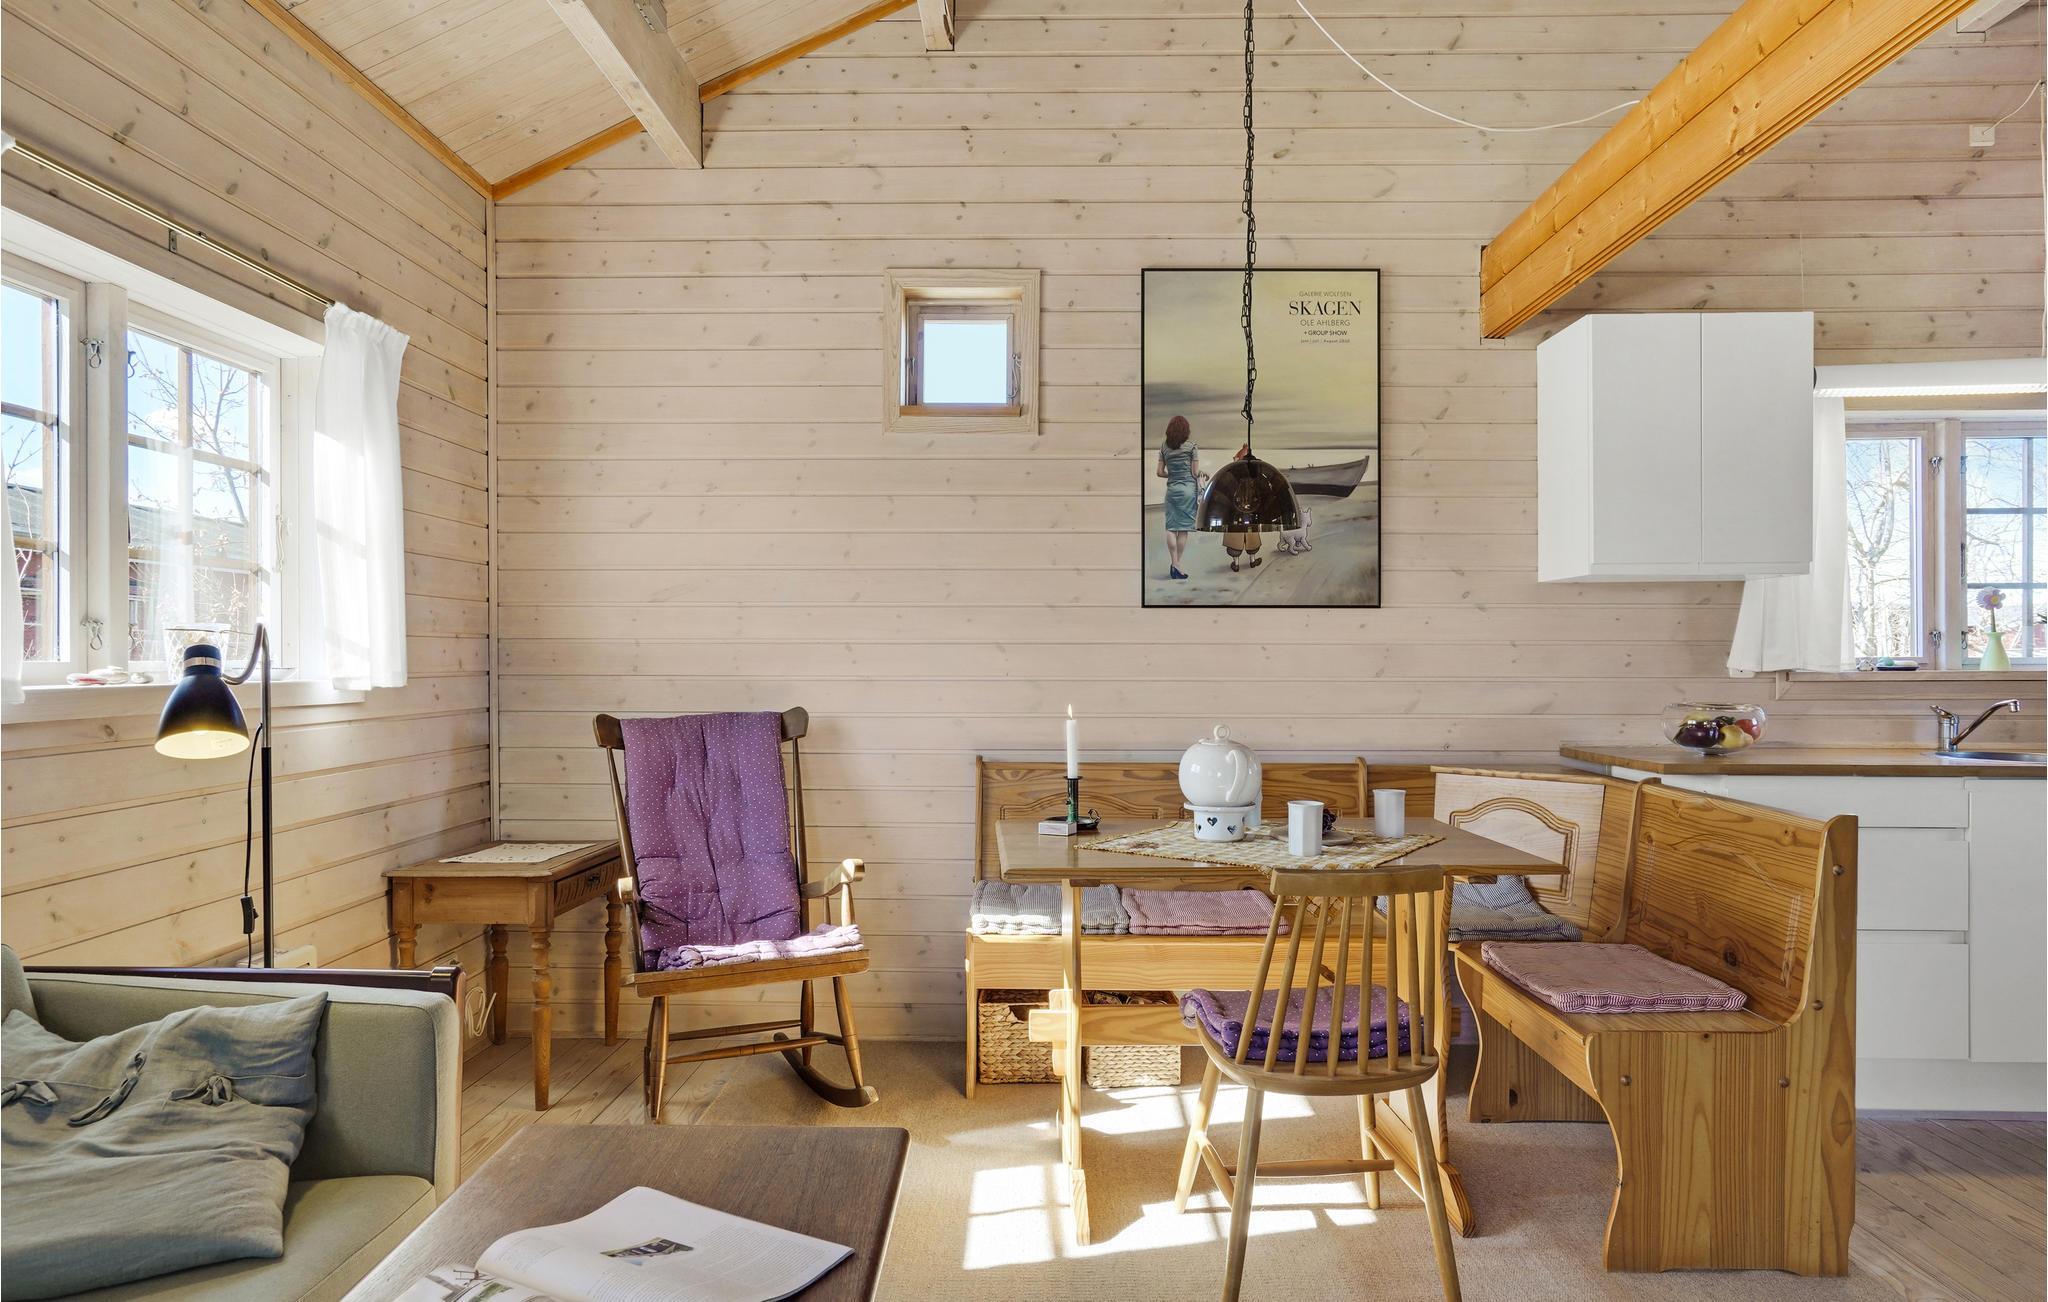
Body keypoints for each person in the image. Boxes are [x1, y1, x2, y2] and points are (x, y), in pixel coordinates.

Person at [1155, 415, 1200, 580]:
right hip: (1188, 491)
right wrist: (1203, 474)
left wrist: (1173, 475)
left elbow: (1159, 473)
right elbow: (1195, 473)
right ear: (1186, 430)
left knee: (1171, 528)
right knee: (1183, 529)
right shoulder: (1192, 447)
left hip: (1172, 491)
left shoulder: (1164, 447)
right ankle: (1176, 565)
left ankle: (1174, 564)